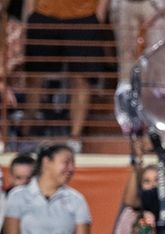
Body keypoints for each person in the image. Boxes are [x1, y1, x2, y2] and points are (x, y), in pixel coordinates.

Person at [22, 0, 110, 150]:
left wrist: (98, 16)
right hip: (43, 14)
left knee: (81, 79)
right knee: (34, 77)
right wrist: (30, 15)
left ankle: (75, 138)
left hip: (85, 17)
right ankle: (24, 134)